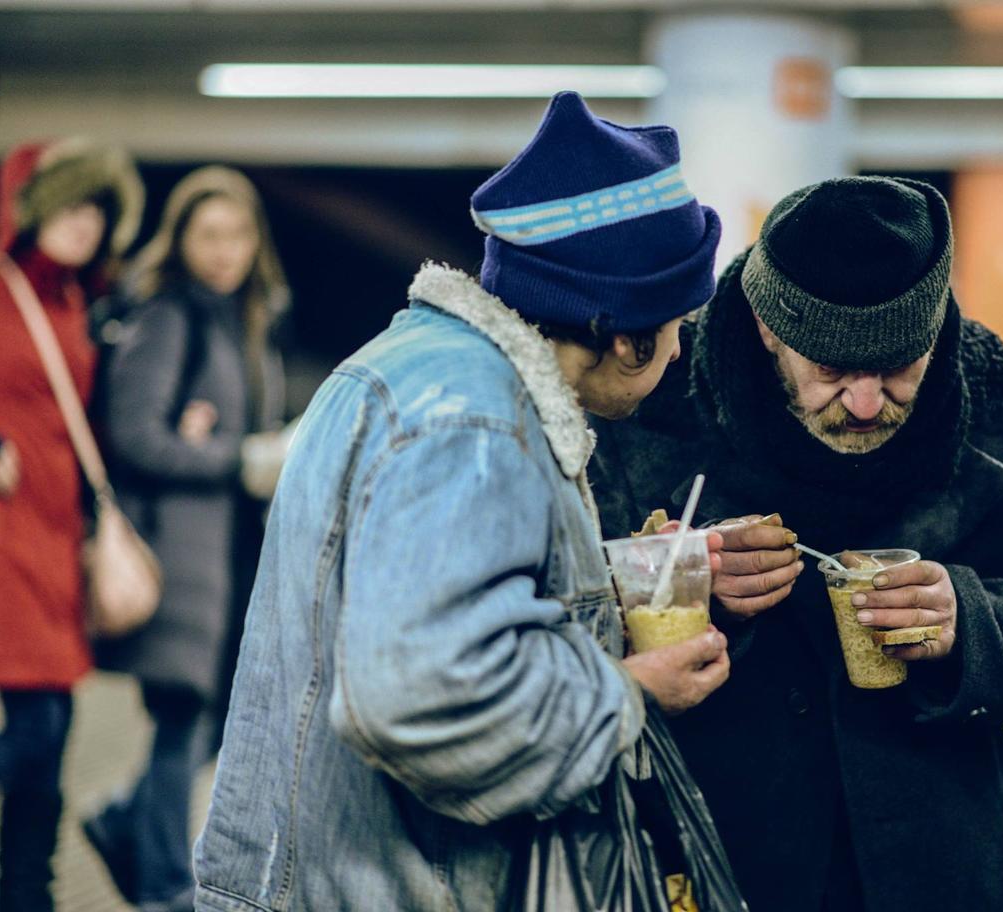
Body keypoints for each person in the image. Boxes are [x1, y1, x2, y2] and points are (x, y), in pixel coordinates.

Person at [192, 92, 729, 912]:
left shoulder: (414, 363)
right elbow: (421, 691)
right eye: (678, 322)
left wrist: (594, 594)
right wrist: (631, 691)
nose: (680, 348)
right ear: (626, 333)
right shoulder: (474, 424)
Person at [589, 176, 1003, 912]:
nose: (866, 404)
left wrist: (966, 619)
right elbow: (556, 616)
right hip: (716, 854)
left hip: (944, 863)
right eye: (831, 370)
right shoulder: (644, 405)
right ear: (771, 331)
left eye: (900, 366)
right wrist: (677, 582)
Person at [81, 166, 292, 912]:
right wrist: (236, 456)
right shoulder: (170, 315)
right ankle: (168, 887)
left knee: (221, 717)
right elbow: (135, 434)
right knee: (182, 716)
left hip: (230, 556)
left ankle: (123, 819)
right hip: (177, 552)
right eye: (209, 234)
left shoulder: (245, 319)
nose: (225, 250)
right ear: (182, 239)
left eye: (238, 234)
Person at [0, 137, 143, 912]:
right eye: (72, 206)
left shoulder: (77, 303)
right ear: (34, 206)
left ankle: (26, 897)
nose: (85, 225)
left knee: (53, 730)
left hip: (54, 534)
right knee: (38, 724)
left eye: (97, 212)